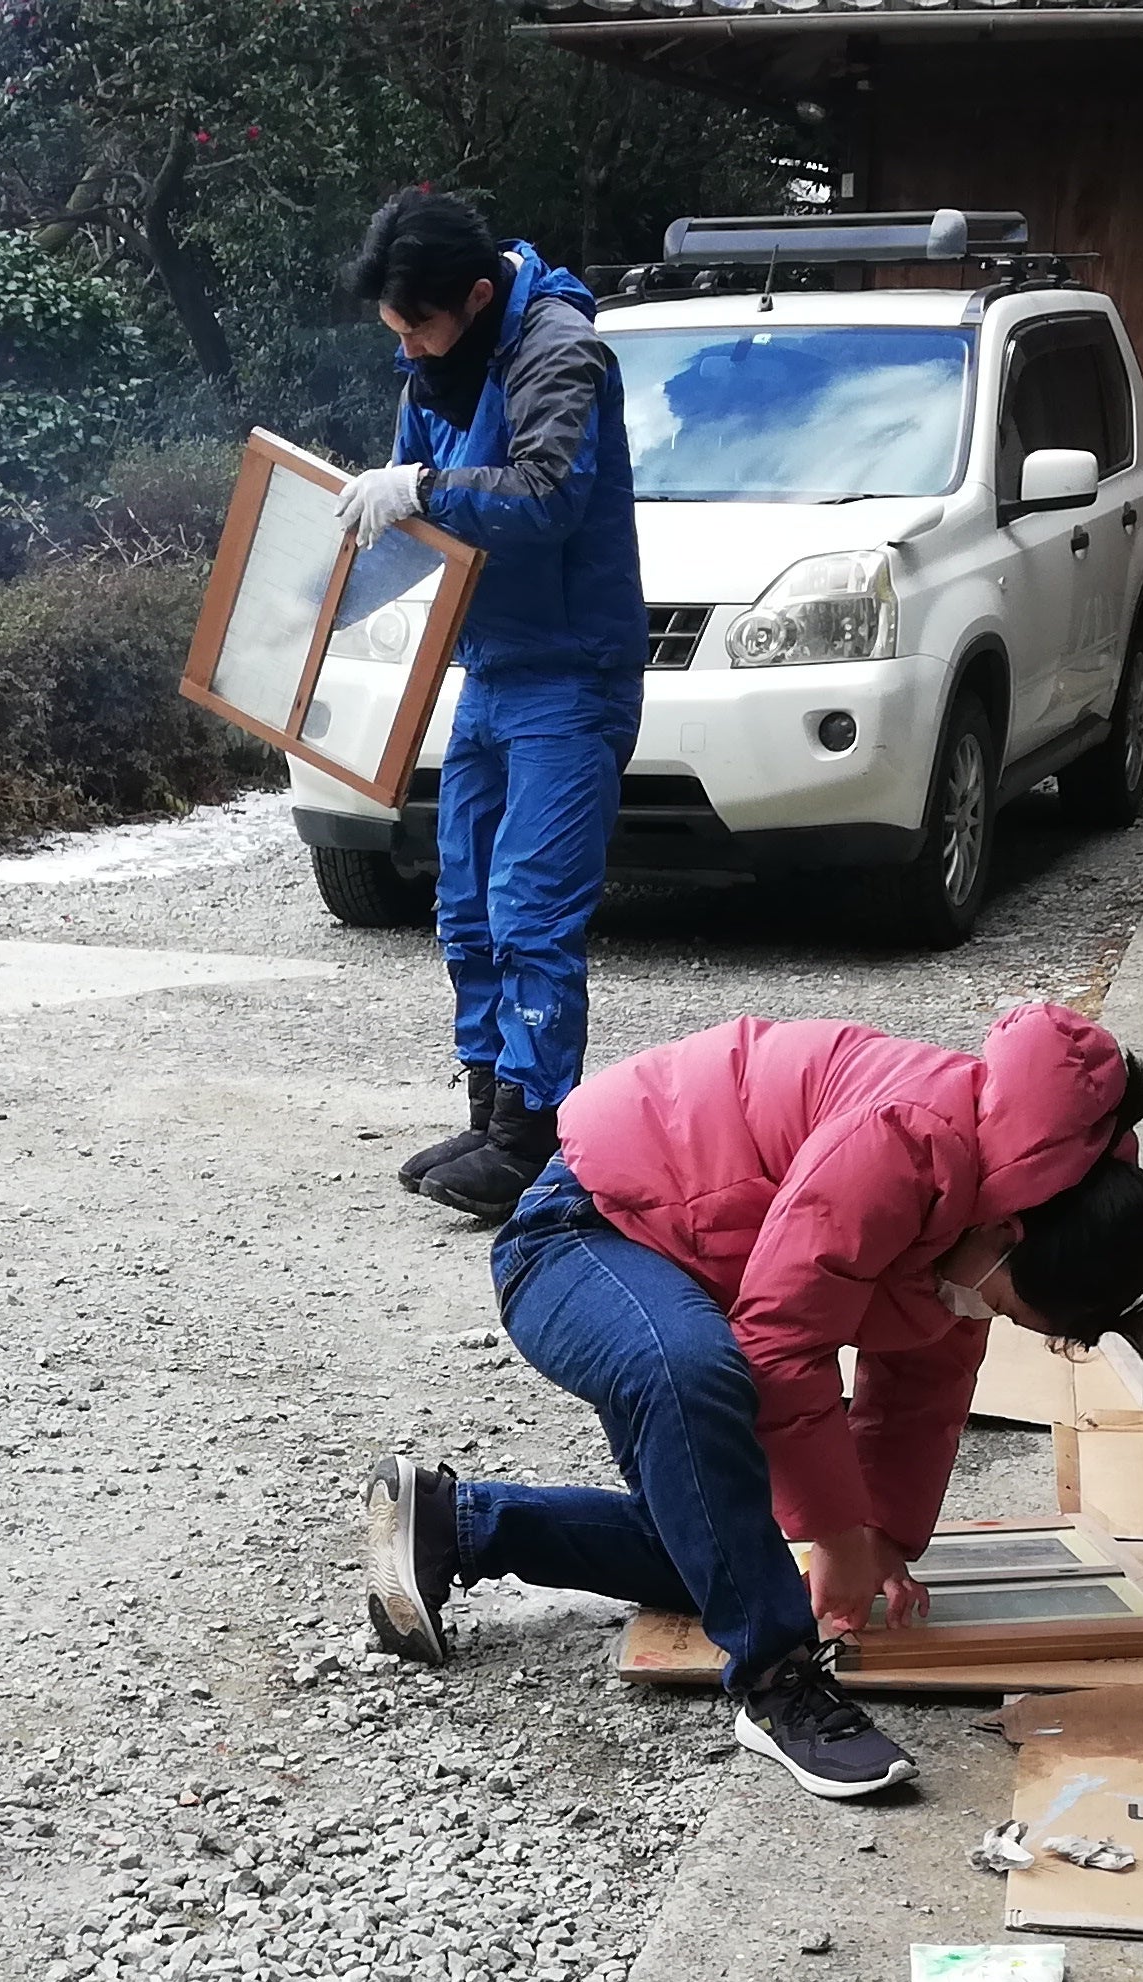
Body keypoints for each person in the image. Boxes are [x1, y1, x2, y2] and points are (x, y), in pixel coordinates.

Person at [359, 1001, 1143, 1799]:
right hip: (582, 1228)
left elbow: (924, 1391)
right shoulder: (906, 1139)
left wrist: (880, 1537)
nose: (985, 1316)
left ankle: (455, 1524)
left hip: (683, 1263)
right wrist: (837, 1536)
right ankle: (778, 1681)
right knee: (695, 1371)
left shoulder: (1006, 1198)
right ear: (1008, 1234)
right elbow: (781, 1343)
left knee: (726, 1553)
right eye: (1004, 1304)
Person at [334, 190, 652, 1226]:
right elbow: (412, 518)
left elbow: (547, 494)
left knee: (531, 908)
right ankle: (490, 1111)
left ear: (477, 297)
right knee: (466, 902)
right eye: (396, 332)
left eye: (419, 328)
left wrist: (421, 488)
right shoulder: (436, 356)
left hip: (574, 674)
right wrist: (310, 601)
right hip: (491, 668)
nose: (409, 351)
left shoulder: (561, 351)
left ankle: (535, 1136)